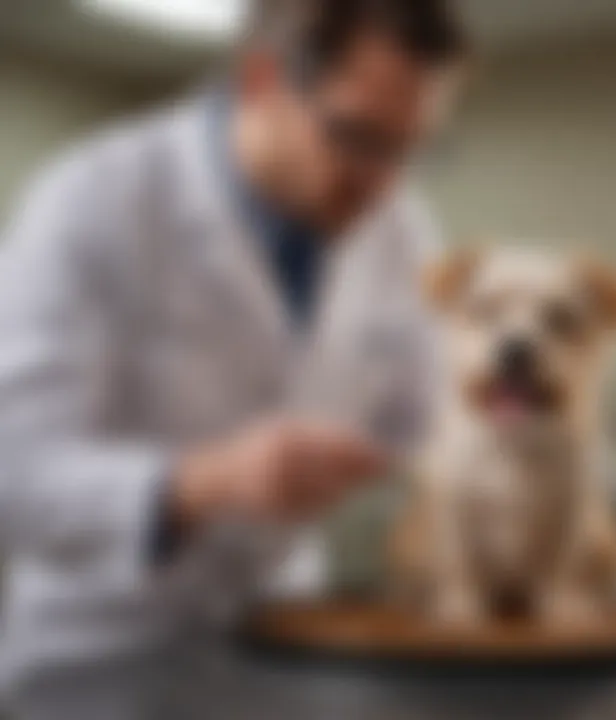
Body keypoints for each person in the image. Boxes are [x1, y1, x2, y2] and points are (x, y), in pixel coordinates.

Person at [0, 0, 467, 716]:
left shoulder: (401, 229)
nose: (380, 183)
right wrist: (201, 482)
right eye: (355, 137)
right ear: (260, 81)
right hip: (98, 653)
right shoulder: (93, 199)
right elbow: (14, 471)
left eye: (408, 149)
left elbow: (427, 419)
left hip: (283, 632)